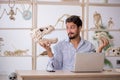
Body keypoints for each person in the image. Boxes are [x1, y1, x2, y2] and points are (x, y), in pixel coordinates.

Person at [39, 15, 109, 71]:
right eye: (67, 28)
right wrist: (49, 51)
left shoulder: (89, 46)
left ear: (79, 28)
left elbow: (94, 65)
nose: (69, 31)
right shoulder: (60, 46)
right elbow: (56, 67)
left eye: (72, 27)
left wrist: (100, 48)